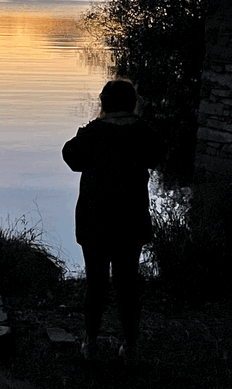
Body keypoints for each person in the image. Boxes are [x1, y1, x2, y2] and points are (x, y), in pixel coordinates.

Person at [62, 79, 163, 364]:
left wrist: (92, 128)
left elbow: (71, 157)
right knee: (127, 283)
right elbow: (156, 154)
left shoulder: (93, 134)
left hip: (95, 219)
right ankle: (131, 346)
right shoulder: (143, 133)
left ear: (104, 103)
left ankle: (90, 341)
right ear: (133, 103)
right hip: (130, 219)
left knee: (96, 283)